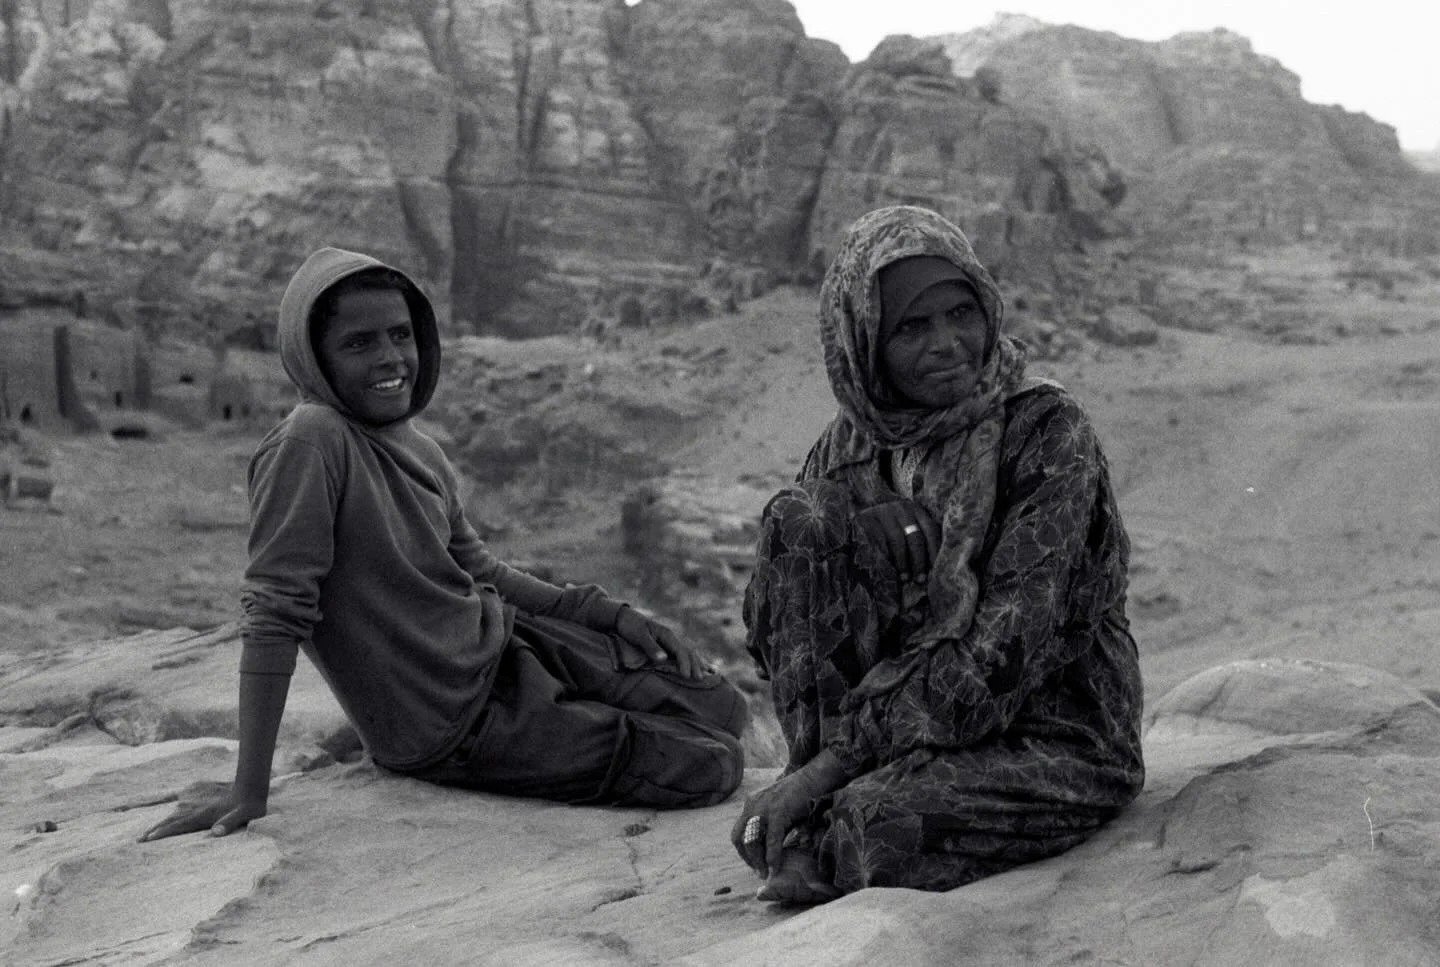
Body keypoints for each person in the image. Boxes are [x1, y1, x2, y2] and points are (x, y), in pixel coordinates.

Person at [142, 247, 747, 843]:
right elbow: (275, 612)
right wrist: (249, 789)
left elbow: (481, 570)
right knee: (712, 764)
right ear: (315, 358)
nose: (390, 357)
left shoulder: (417, 447)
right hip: (451, 722)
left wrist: (609, 616)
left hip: (506, 647)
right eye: (359, 343)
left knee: (724, 707)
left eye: (400, 335)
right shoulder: (310, 441)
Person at [730, 205, 1144, 904]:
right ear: (866, 342)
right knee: (803, 519)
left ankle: (821, 812)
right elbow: (773, 625)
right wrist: (864, 535)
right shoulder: (851, 445)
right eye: (912, 328)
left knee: (877, 826)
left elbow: (1004, 654)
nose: (948, 344)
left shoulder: (1044, 430)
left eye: (961, 314)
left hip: (1048, 730)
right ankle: (814, 812)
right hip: (891, 736)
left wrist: (831, 768)